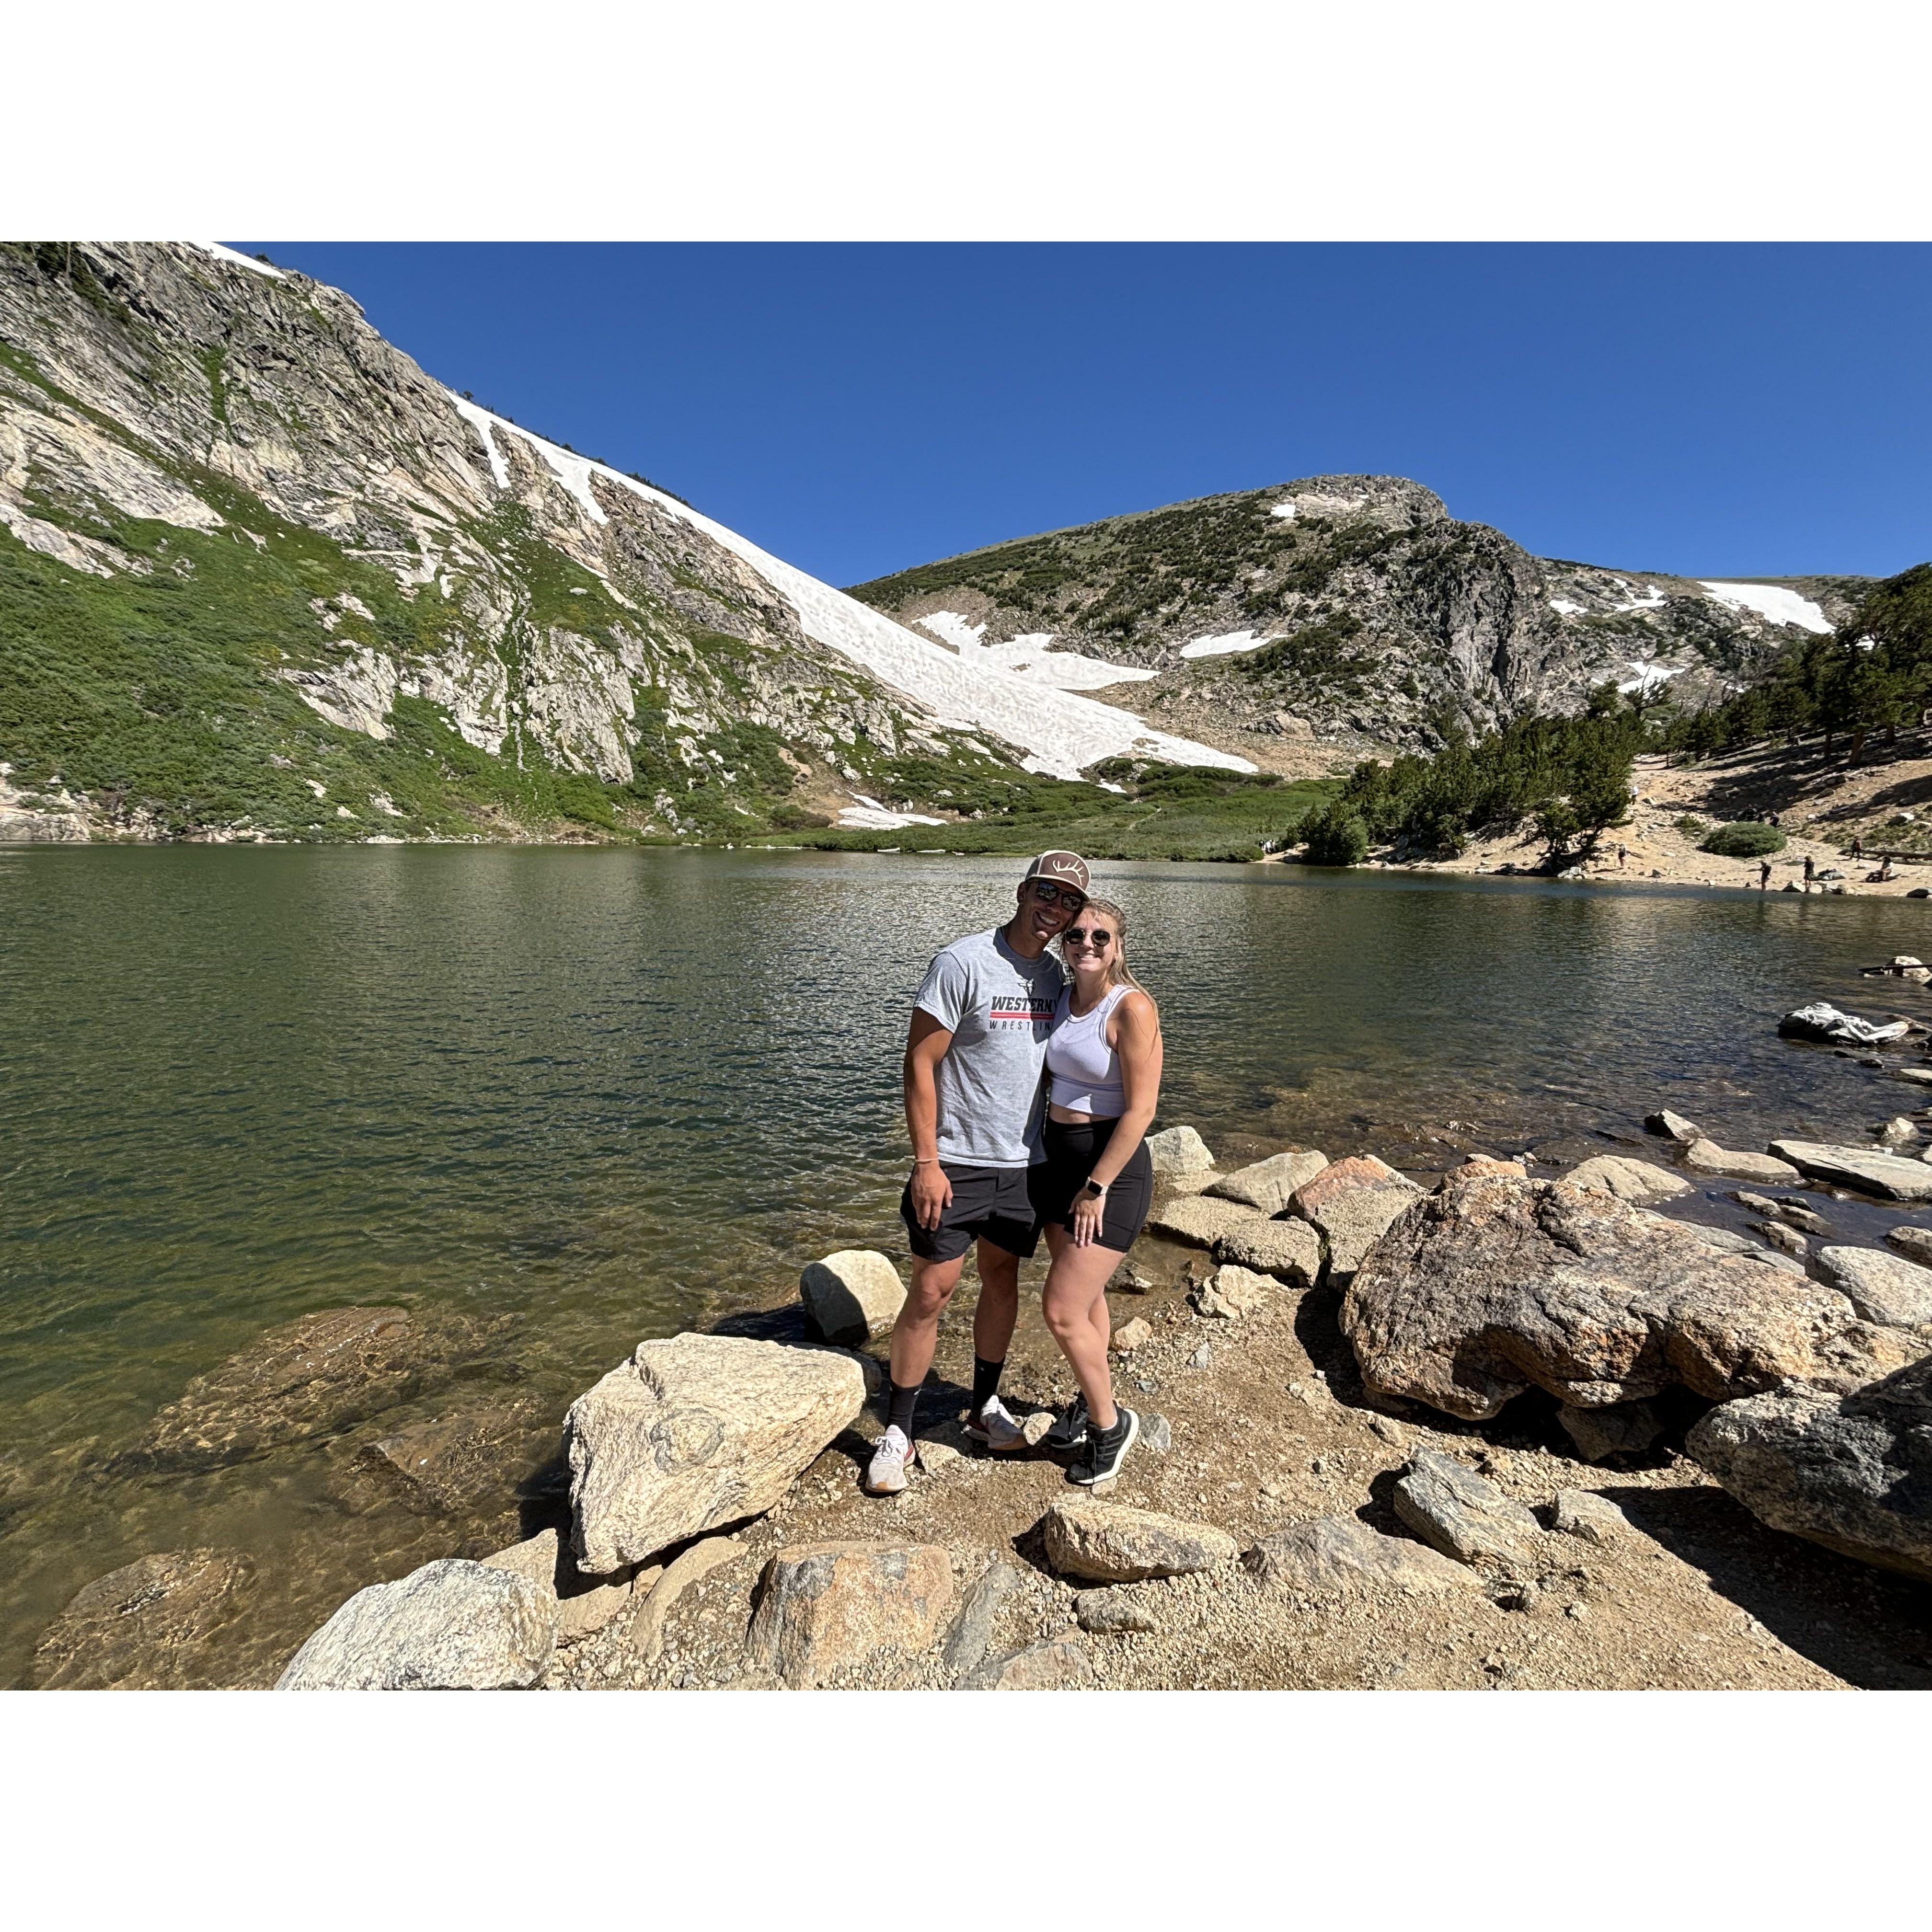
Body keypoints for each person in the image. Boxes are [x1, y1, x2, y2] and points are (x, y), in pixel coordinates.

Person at [867, 851, 1091, 1496]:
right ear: (1023, 891)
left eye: (1070, 900)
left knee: (1001, 1279)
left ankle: (984, 1408)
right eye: (1046, 892)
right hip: (956, 1164)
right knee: (932, 1292)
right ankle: (900, 1431)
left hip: (1024, 1165)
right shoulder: (961, 962)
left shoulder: (1056, 977)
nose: (1055, 907)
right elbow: (919, 1064)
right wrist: (927, 1163)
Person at [1029, 897, 1162, 1485]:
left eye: (1100, 937)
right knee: (1085, 1302)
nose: (1087, 944)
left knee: (1060, 1309)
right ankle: (1090, 1395)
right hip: (1056, 1165)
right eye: (1077, 935)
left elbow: (1141, 1110)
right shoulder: (1062, 997)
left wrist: (1097, 1186)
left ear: (1119, 947)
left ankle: (1111, 1425)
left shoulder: (1130, 1007)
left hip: (1110, 1174)